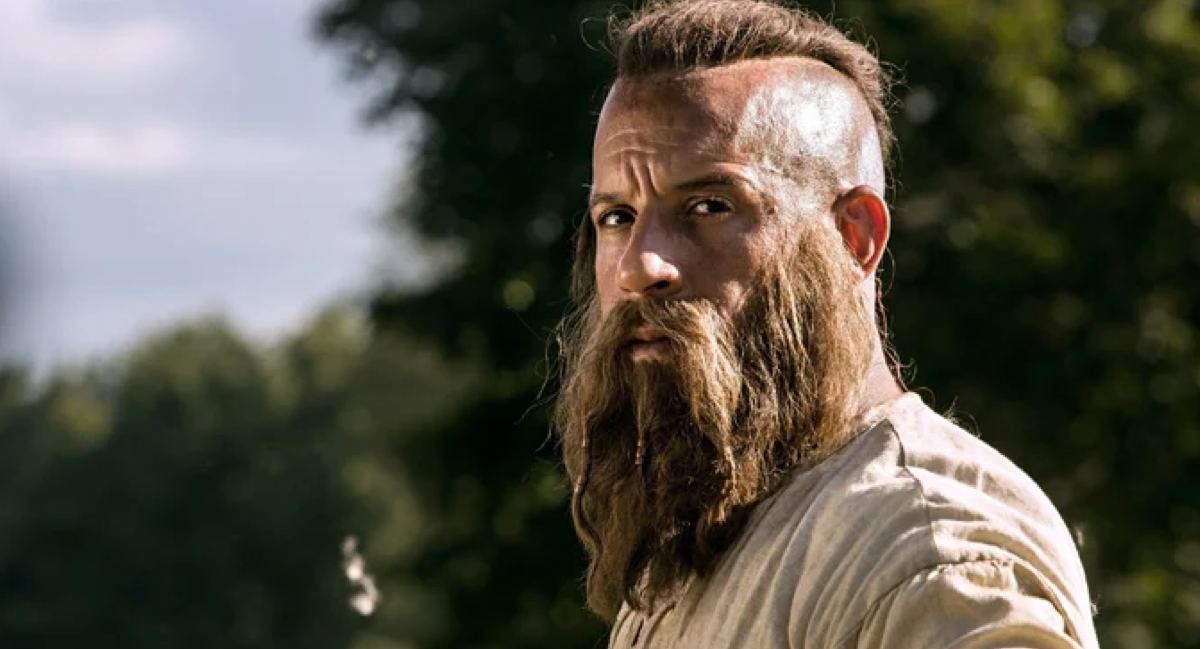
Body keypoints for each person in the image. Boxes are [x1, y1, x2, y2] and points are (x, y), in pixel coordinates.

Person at [553, 0, 1100, 647]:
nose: (640, 267)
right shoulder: (699, 543)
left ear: (854, 237)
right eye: (617, 216)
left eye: (709, 205)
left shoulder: (928, 554)